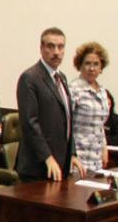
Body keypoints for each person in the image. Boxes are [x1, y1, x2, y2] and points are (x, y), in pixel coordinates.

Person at [16, 27, 83, 182]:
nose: (56, 52)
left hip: (61, 164)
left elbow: (67, 120)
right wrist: (47, 157)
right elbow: (30, 123)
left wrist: (72, 153)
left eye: (61, 47)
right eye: (50, 46)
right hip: (37, 166)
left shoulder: (62, 78)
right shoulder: (30, 78)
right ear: (41, 48)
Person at [69, 42, 110, 174]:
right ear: (79, 65)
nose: (91, 68)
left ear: (101, 67)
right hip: (78, 158)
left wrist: (104, 147)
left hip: (96, 159)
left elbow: (100, 124)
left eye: (96, 64)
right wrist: (71, 154)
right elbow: (65, 124)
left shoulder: (102, 91)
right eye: (87, 63)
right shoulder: (73, 89)